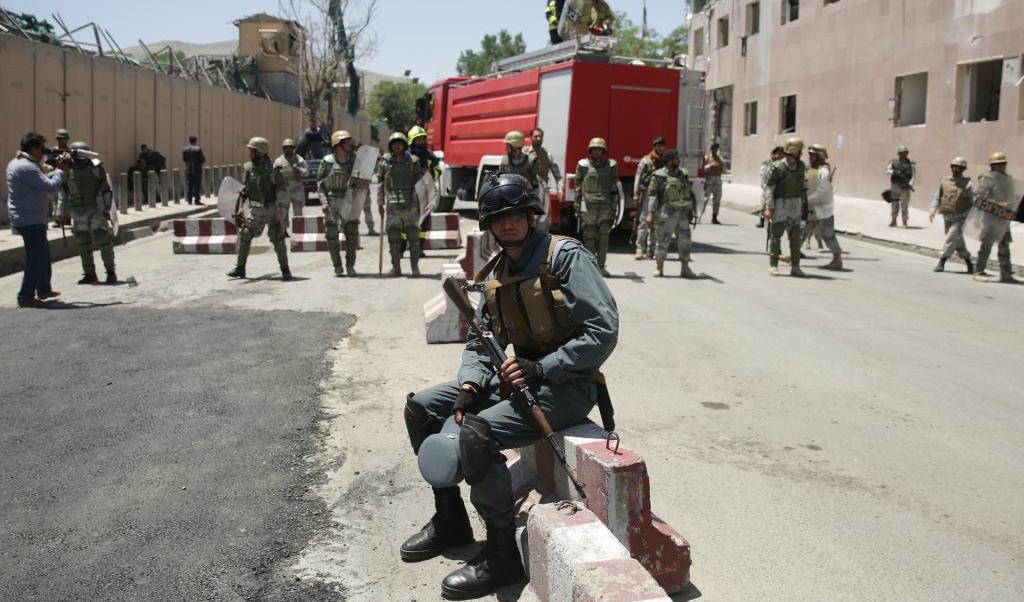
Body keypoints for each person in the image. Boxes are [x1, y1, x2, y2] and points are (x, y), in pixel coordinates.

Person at [402, 173, 618, 600]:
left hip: (567, 385)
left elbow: (602, 330)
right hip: (515, 379)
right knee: (424, 408)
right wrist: (469, 384)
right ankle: (450, 520)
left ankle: (501, 554)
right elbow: (481, 339)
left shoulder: (564, 257)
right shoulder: (497, 270)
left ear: (531, 215)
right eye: (498, 218)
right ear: (489, 224)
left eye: (516, 215)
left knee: (476, 433)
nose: (508, 224)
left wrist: (545, 368)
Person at [7, 132, 67, 308]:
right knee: (36, 258)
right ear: (33, 148)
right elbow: (50, 186)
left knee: (43, 254)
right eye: (41, 149)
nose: (43, 153)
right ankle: (25, 297)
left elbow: (41, 179)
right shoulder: (27, 167)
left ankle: (43, 289)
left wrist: (56, 169)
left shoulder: (19, 163)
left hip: (30, 217)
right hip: (30, 219)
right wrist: (62, 173)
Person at [226, 137, 291, 281]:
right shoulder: (249, 168)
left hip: (272, 209)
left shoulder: (274, 169)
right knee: (245, 234)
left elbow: (282, 191)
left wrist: (281, 210)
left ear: (260, 152)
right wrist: (241, 208)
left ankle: (285, 270)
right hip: (256, 210)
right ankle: (240, 268)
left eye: (251, 151)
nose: (249, 154)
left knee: (277, 238)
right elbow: (246, 190)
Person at [58, 141, 117, 284]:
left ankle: (110, 272)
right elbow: (63, 193)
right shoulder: (67, 169)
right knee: (83, 242)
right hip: (78, 211)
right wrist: (62, 212)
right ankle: (89, 273)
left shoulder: (96, 167)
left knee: (102, 239)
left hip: (96, 209)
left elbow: (105, 189)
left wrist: (108, 209)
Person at [378, 132, 424, 277]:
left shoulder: (414, 161)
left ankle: (415, 268)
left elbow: (420, 183)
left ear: (404, 145)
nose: (397, 146)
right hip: (392, 206)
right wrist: (380, 202)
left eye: (399, 143)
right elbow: (380, 183)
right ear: (391, 146)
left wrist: (423, 203)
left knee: (414, 238)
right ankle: (396, 267)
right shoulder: (384, 162)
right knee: (393, 238)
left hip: (411, 204)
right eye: (394, 143)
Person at [646, 149, 696, 278]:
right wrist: (650, 213)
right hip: (666, 213)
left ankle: (685, 268)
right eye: (676, 158)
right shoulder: (659, 175)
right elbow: (652, 196)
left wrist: (691, 210)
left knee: (685, 241)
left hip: (682, 213)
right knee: (662, 241)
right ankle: (659, 267)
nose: (678, 160)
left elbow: (688, 193)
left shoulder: (683, 174)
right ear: (669, 160)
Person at [575, 137, 619, 277]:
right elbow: (578, 188)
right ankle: (590, 267)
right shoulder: (583, 165)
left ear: (604, 151)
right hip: (588, 207)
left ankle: (601, 266)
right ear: (590, 150)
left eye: (599, 149)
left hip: (605, 207)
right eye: (594, 149)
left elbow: (614, 189)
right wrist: (577, 206)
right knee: (589, 237)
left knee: (604, 237)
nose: (597, 152)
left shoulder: (611, 166)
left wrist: (614, 208)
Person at [763, 137, 807, 277]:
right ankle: (773, 265)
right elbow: (769, 187)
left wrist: (802, 205)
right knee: (776, 234)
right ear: (792, 151)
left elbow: (802, 187)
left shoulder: (801, 167)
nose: (800, 154)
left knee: (795, 236)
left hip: (795, 203)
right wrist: (769, 207)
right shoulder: (778, 167)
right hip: (780, 204)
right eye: (799, 151)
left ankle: (795, 266)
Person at [972, 152, 1017, 283]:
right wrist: (998, 204)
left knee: (1004, 245)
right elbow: (979, 198)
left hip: (1003, 217)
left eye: (1004, 163)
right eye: (1000, 164)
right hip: (990, 217)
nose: (1003, 166)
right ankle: (978, 271)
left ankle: (1006, 274)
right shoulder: (987, 179)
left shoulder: (1007, 179)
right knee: (987, 245)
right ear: (993, 165)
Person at [318, 130, 358, 277]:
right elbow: (320, 184)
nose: (350, 144)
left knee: (352, 235)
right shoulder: (327, 162)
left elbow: (364, 181)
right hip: (332, 201)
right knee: (331, 235)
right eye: (346, 142)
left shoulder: (355, 161)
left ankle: (350, 265)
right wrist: (323, 202)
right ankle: (337, 266)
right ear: (338, 144)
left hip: (349, 201)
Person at [928, 157, 974, 274]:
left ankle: (941, 262)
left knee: (950, 238)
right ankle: (969, 263)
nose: (955, 168)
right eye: (953, 166)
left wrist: (968, 215)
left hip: (961, 218)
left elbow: (972, 201)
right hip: (947, 216)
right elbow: (937, 196)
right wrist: (932, 210)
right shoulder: (945, 181)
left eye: (958, 166)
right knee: (958, 243)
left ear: (963, 169)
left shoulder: (968, 184)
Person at [804, 144, 843, 270]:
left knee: (827, 234)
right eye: (809, 154)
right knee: (802, 231)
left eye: (812, 154)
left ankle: (837, 260)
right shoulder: (809, 168)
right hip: (810, 206)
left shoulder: (824, 170)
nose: (810, 156)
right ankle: (793, 255)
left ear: (819, 156)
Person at [633, 136, 665, 259]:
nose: (661, 148)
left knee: (657, 223)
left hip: (660, 195)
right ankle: (640, 248)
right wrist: (636, 194)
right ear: (655, 147)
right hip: (647, 194)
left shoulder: (665, 161)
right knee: (644, 222)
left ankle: (652, 250)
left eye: (663, 146)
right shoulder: (646, 161)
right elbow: (638, 176)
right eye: (659, 146)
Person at [525, 127, 562, 232]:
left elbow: (557, 175)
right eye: (535, 136)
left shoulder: (547, 155)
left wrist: (560, 189)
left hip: (542, 195)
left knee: (543, 225)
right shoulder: (524, 154)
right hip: (528, 193)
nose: (538, 138)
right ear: (530, 138)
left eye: (540, 136)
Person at [275, 139, 308, 218]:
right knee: (282, 214)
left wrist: (298, 169)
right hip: (284, 191)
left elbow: (306, 173)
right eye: (286, 148)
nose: (288, 149)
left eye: (290, 147)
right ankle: (283, 230)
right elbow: (273, 176)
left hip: (297, 190)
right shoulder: (279, 161)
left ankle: (298, 230)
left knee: (298, 215)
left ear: (293, 148)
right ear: (283, 149)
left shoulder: (299, 160)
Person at [886, 145, 915, 228]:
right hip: (895, 185)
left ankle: (904, 221)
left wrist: (910, 184)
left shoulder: (911, 164)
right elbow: (887, 171)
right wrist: (894, 172)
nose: (904, 154)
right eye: (902, 153)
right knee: (894, 204)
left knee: (904, 205)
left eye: (905, 153)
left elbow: (914, 176)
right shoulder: (893, 162)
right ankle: (894, 220)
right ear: (898, 154)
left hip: (905, 187)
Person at [757, 146, 784, 228]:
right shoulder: (767, 163)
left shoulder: (782, 164)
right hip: (767, 188)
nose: (779, 156)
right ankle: (761, 220)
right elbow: (763, 175)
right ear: (773, 154)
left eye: (781, 154)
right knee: (764, 204)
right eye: (778, 154)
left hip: (778, 189)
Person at [703, 142, 724, 225]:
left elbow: (723, 169)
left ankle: (714, 217)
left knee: (717, 199)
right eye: (714, 148)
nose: (715, 150)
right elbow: (703, 168)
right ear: (711, 149)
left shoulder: (720, 159)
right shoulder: (707, 158)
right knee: (705, 199)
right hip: (709, 179)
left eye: (717, 149)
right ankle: (699, 215)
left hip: (718, 179)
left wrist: (720, 167)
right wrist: (710, 166)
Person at [182, 135, 206, 205]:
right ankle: (196, 200)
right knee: (197, 185)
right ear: (195, 141)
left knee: (189, 185)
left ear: (189, 141)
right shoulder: (198, 149)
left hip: (188, 169)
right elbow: (202, 159)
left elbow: (184, 159)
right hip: (197, 169)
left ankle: (189, 200)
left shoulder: (185, 149)